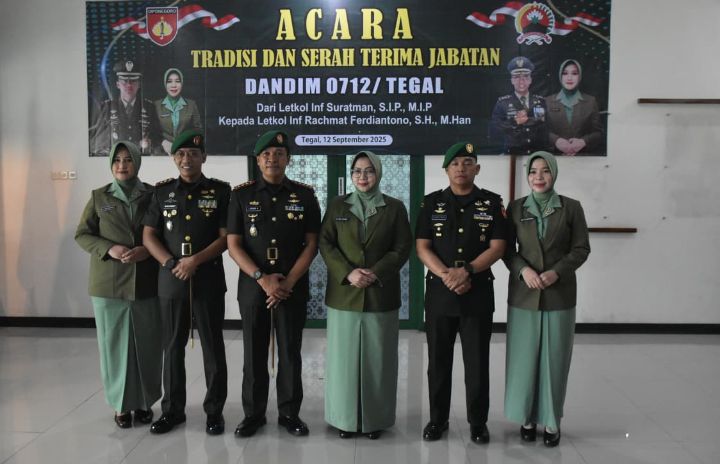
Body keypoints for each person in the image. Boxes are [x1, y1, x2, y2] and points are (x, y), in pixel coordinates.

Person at [227, 130, 321, 438]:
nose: (273, 159)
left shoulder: (305, 195)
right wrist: (262, 278)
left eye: (279, 154)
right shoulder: (241, 195)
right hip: (253, 288)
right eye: (266, 154)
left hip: (292, 288)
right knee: (254, 354)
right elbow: (233, 244)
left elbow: (312, 244)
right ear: (258, 160)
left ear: (288, 159)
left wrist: (288, 281)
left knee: (290, 352)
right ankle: (253, 414)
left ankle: (289, 413)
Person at [415, 142, 508, 443]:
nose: (461, 168)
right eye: (455, 163)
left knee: (477, 363)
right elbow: (422, 247)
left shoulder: (492, 203)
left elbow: (498, 247)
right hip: (440, 293)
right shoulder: (431, 203)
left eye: (468, 162)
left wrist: (466, 271)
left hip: (477, 293)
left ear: (477, 168)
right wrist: (448, 276)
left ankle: (478, 423)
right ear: (446, 169)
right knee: (438, 362)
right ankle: (437, 420)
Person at [141, 129, 230, 435]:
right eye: (180, 154)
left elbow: (225, 238)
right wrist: (170, 263)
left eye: (193, 153)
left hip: (208, 280)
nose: (187, 159)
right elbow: (149, 236)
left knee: (213, 347)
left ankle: (214, 412)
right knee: (172, 348)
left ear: (203, 157)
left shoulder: (221, 191)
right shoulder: (161, 192)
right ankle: (172, 411)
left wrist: (195, 261)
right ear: (173, 158)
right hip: (172, 282)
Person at [319, 151, 412, 440]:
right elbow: (326, 243)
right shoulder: (337, 205)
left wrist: (375, 272)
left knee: (378, 361)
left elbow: (402, 247)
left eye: (369, 171)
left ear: (378, 173)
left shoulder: (394, 208)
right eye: (357, 171)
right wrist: (348, 272)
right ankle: (344, 419)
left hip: (379, 294)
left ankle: (375, 420)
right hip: (344, 295)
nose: (362, 176)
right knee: (344, 362)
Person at [503, 151, 590, 447]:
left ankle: (552, 420)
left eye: (545, 171)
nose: (538, 177)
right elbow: (506, 250)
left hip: (558, 294)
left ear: (554, 173)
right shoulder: (516, 208)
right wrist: (523, 270)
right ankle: (526, 417)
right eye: (533, 171)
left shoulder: (571, 208)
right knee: (524, 359)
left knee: (555, 359)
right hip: (524, 295)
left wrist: (557, 272)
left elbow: (581, 248)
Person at [75, 140, 162, 428]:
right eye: (117, 160)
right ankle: (120, 405)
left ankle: (145, 402)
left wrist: (147, 250)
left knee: (148, 345)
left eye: (128, 159)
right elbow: (83, 235)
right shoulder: (99, 197)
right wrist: (108, 248)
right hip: (108, 286)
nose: (122, 165)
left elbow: (166, 233)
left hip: (147, 282)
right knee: (114, 347)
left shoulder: (154, 194)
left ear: (137, 162)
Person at [90, 60, 160, 156]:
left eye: (133, 81)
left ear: (139, 84)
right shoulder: (107, 107)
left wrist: (150, 143)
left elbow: (157, 138)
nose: (129, 85)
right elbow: (97, 143)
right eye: (124, 81)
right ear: (118, 84)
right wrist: (138, 144)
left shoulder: (149, 107)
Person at [490, 56, 549, 155]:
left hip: (536, 155)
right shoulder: (503, 103)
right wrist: (514, 122)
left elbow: (546, 129)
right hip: (513, 155)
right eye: (517, 77)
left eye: (525, 76)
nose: (521, 81)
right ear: (511, 80)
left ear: (530, 79)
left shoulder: (540, 101)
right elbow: (493, 131)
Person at [545, 59, 603, 156]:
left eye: (574, 73)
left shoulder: (591, 101)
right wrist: (556, 141)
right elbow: (541, 131)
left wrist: (583, 141)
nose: (569, 78)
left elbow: (598, 133)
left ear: (580, 76)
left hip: (583, 158)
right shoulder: (547, 101)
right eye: (565, 73)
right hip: (555, 157)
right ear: (560, 76)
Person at [154, 68, 203, 155]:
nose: (174, 85)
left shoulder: (192, 105)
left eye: (177, 81)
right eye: (169, 81)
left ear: (182, 83)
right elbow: (152, 132)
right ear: (165, 84)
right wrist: (163, 142)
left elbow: (198, 130)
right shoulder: (156, 105)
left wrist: (187, 144)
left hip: (186, 153)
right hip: (162, 153)